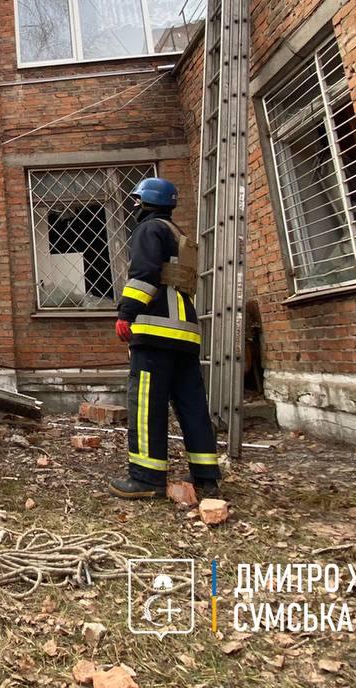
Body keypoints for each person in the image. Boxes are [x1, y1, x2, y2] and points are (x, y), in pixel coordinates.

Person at [110, 177, 222, 501]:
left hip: (156, 332)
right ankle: (206, 476)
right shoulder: (178, 234)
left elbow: (144, 275)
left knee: (147, 405)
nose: (133, 206)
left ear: (145, 202)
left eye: (136, 201)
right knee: (192, 406)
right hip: (186, 334)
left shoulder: (149, 230)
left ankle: (146, 478)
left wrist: (126, 312)